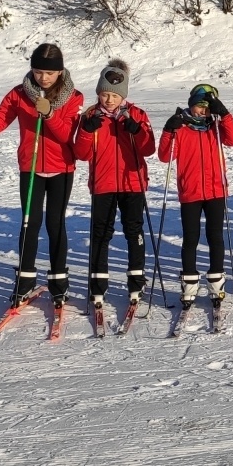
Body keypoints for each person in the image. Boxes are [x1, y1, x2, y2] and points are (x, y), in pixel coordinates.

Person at [0, 43, 80, 308]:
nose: (44, 77)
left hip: (61, 167)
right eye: (38, 71)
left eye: (50, 73)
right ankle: (25, 281)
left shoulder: (74, 97)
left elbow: (66, 136)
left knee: (55, 224)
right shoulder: (18, 94)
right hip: (31, 167)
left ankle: (59, 283)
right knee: (30, 223)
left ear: (60, 72)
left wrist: (49, 113)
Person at [73, 60, 156, 314]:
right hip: (103, 184)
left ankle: (136, 281)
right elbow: (81, 153)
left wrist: (136, 131)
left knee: (134, 231)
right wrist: (86, 131)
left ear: (124, 95)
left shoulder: (137, 114)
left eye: (115, 96)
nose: (109, 100)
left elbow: (149, 148)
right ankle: (98, 284)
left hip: (132, 183)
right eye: (105, 94)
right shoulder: (90, 116)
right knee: (101, 233)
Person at [158, 84, 233, 311]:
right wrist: (168, 130)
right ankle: (189, 284)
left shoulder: (216, 127)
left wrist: (223, 114)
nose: (201, 112)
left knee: (215, 236)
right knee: (190, 238)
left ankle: (216, 283)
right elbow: (165, 156)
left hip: (215, 190)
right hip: (191, 192)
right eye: (197, 106)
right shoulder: (182, 128)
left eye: (206, 108)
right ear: (190, 105)